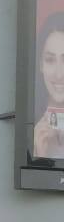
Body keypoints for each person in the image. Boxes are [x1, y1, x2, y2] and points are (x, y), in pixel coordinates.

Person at [33, 12, 64, 160]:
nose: (59, 74)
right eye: (50, 60)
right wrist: (40, 157)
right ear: (41, 65)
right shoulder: (30, 129)